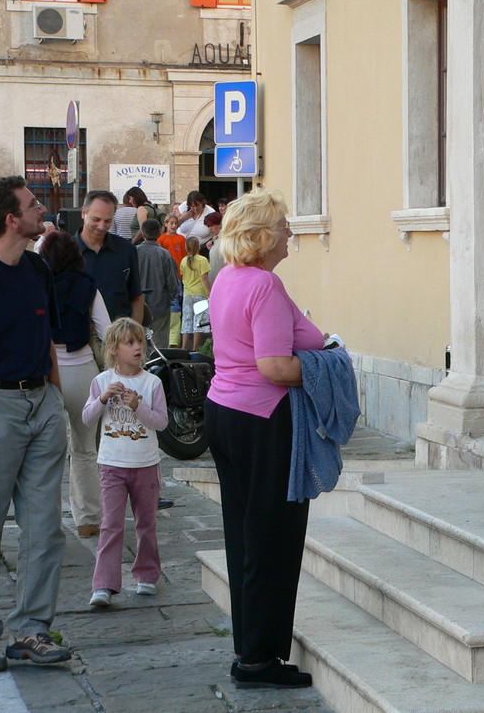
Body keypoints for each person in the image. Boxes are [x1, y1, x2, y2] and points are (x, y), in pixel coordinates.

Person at [205, 189, 323, 689]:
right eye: (284, 226)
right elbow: (274, 366)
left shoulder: (227, 278)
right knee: (273, 538)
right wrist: (327, 368)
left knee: (245, 535)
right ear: (263, 236)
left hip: (224, 412)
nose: (291, 233)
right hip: (262, 417)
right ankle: (258, 659)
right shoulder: (265, 286)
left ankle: (251, 652)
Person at [0, 175, 72, 673]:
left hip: (41, 404)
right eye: (33, 205)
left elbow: (49, 340)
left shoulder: (38, 268)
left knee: (44, 528)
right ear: (12, 219)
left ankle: (32, 630)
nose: (42, 211)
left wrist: (55, 399)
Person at [81, 318, 168, 608]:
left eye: (140, 341)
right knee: (111, 524)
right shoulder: (101, 381)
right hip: (112, 464)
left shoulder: (152, 382)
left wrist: (137, 406)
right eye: (130, 343)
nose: (138, 347)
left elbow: (161, 422)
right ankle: (104, 584)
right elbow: (87, 418)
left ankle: (147, 576)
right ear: (114, 349)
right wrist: (104, 399)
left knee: (147, 523)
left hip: (146, 464)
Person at [39, 230, 111, 538]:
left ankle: (46, 522)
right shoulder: (88, 286)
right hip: (82, 370)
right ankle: (88, 519)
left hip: (46, 372)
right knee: (84, 449)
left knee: (45, 454)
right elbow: (108, 331)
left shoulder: (38, 285)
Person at [76, 190, 144, 324]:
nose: (101, 226)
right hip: (79, 339)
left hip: (120, 337)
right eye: (96, 219)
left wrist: (135, 335)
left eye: (108, 221)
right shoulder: (64, 251)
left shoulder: (126, 250)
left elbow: (136, 296)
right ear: (84, 213)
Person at [136, 219, 180, 349]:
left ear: (143, 233)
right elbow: (173, 283)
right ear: (160, 232)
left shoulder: (134, 252)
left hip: (137, 305)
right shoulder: (164, 254)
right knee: (159, 344)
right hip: (160, 305)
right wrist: (169, 299)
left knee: (138, 342)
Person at [180, 236, 211, 351]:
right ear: (198, 246)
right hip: (200, 293)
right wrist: (210, 292)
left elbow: (183, 276)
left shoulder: (184, 260)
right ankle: (195, 349)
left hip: (188, 293)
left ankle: (184, 348)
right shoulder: (202, 260)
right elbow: (205, 277)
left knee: (187, 320)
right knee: (199, 321)